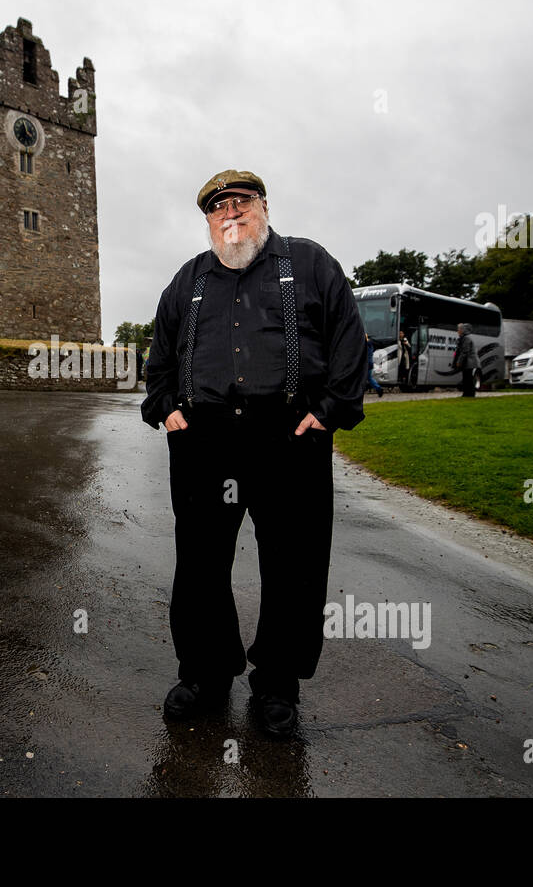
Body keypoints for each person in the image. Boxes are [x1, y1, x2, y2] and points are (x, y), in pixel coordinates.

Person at [140, 169, 367, 739]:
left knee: (293, 565)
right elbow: (159, 357)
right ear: (210, 220)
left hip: (289, 439)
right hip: (204, 440)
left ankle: (277, 684)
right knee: (199, 563)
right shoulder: (187, 280)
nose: (230, 213)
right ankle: (205, 674)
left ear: (263, 206)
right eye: (218, 207)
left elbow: (348, 342)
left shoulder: (311, 264)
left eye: (241, 201)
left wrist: (330, 410)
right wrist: (166, 407)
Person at [452, 322, 479, 397]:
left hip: (469, 362)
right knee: (467, 378)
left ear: (462, 330)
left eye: (458, 330)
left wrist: (459, 362)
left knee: (468, 379)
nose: (457, 331)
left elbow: (464, 352)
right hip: (468, 362)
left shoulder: (466, 338)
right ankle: (467, 393)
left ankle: (469, 394)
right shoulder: (466, 338)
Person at [365, 332, 384, 398]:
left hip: (366, 364)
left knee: (366, 378)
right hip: (370, 363)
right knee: (369, 378)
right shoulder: (370, 344)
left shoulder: (366, 345)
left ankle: (379, 389)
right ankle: (378, 388)